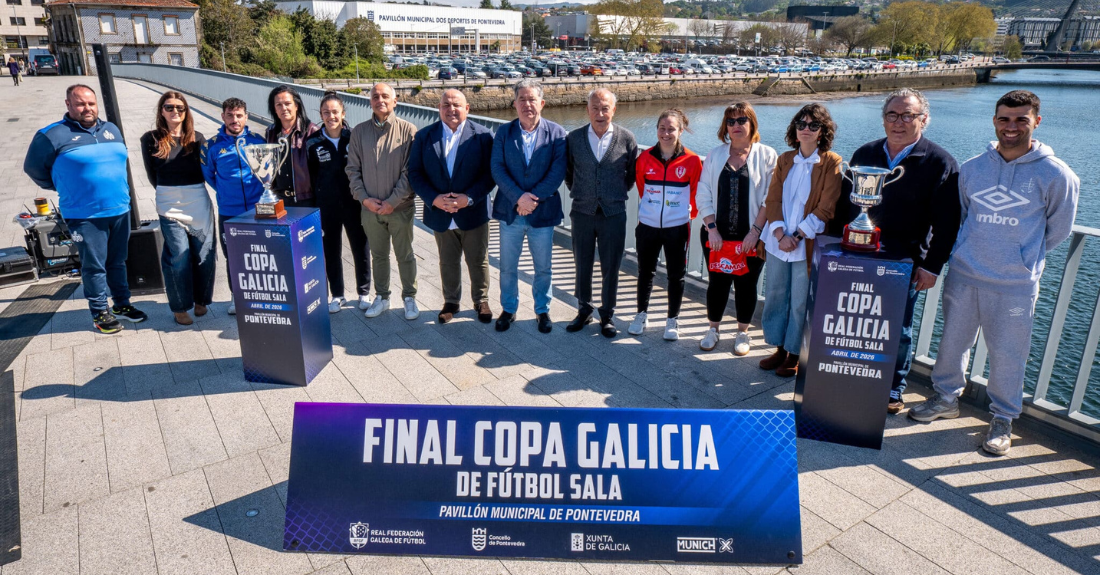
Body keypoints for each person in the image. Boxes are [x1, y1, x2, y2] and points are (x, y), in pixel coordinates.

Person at [909, 90, 1079, 456]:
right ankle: (945, 399)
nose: (1012, 126)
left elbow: (1059, 229)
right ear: (994, 121)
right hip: (966, 274)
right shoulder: (972, 168)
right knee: (952, 344)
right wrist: (965, 254)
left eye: (1021, 119)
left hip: (1015, 284)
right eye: (1004, 118)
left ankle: (1003, 418)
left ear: (1037, 121)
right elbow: (963, 217)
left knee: (1008, 354)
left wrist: (1021, 257)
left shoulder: (1056, 174)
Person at [828, 88, 961, 413]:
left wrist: (931, 266)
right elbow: (846, 207)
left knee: (896, 329)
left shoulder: (940, 162)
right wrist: (831, 250)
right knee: (853, 321)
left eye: (908, 115)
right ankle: (849, 379)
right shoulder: (866, 153)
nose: (899, 122)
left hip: (903, 262)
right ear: (884, 118)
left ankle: (892, 389)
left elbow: (947, 224)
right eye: (892, 115)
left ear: (923, 119)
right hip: (857, 255)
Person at [24, 84, 148, 333]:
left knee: (117, 262)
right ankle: (100, 312)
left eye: (91, 103)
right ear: (68, 104)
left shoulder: (110, 129)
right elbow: (33, 168)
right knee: (94, 265)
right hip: (84, 215)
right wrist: (64, 186)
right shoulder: (52, 135)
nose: (87, 108)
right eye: (80, 104)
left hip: (119, 209)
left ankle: (121, 305)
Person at [759, 103, 842, 378]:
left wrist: (795, 236)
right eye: (801, 124)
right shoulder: (785, 160)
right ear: (795, 130)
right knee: (775, 295)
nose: (806, 129)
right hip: (778, 241)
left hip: (803, 244)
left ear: (822, 132)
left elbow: (826, 207)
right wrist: (780, 234)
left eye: (813, 125)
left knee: (799, 302)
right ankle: (779, 348)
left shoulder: (832, 162)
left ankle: (795, 353)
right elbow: (773, 199)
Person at [408, 89, 496, 324]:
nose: (451, 109)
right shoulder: (424, 136)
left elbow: (491, 175)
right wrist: (433, 199)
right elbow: (414, 173)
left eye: (457, 105)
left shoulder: (484, 136)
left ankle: (481, 300)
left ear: (467, 108)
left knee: (478, 259)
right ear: (439, 108)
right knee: (447, 260)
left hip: (473, 210)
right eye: (446, 105)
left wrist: (468, 198)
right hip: (440, 211)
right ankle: (451, 302)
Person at [695, 102, 777, 355]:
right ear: (725, 127)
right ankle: (713, 329)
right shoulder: (715, 154)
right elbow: (703, 193)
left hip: (751, 238)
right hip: (716, 235)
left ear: (752, 123)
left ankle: (743, 332)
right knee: (717, 284)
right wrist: (711, 228)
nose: (736, 125)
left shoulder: (766, 155)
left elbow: (769, 198)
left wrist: (755, 232)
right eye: (731, 121)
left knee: (746, 285)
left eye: (742, 120)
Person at [490, 79, 567, 334]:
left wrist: (531, 200)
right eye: (521, 99)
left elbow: (557, 172)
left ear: (542, 103)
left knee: (543, 267)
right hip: (510, 212)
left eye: (532, 99)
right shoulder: (504, 132)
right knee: (507, 265)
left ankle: (542, 310)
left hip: (541, 212)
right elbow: (497, 169)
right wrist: (517, 198)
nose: (527, 104)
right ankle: (509, 309)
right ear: (514, 104)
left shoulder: (557, 133)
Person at [564, 88, 638, 338]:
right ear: (587, 110)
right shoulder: (573, 138)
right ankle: (584, 310)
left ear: (613, 110)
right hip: (582, 211)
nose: (600, 113)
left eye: (605, 108)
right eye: (595, 108)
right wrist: (584, 192)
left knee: (611, 267)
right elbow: (569, 173)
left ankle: (607, 315)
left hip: (614, 213)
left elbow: (631, 176)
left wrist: (612, 194)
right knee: (582, 263)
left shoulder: (627, 138)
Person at [139, 91, 215, 326]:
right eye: (170, 107)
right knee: (178, 256)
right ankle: (180, 306)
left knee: (204, 254)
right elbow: (153, 175)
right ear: (161, 110)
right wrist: (168, 191)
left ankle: (201, 300)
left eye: (180, 108)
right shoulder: (150, 139)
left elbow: (206, 170)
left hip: (198, 202)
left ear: (186, 112)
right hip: (169, 204)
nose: (175, 112)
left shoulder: (197, 138)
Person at [347, 82, 419, 320]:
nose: (380, 100)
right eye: (375, 96)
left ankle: (409, 297)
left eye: (385, 96)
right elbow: (353, 170)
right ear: (370, 102)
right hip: (370, 209)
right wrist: (365, 199)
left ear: (395, 101)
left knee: (405, 254)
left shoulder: (409, 131)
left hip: (400, 208)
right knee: (378, 255)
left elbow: (411, 173)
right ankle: (382, 297)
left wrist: (392, 201)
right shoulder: (358, 132)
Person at [630, 109, 702, 341]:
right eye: (662, 128)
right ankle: (641, 314)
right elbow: (642, 187)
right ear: (657, 130)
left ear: (680, 131)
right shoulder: (644, 158)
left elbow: (696, 195)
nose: (666, 133)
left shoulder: (691, 160)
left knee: (676, 275)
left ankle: (672, 319)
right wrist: (652, 212)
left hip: (677, 228)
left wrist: (679, 213)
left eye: (671, 128)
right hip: (648, 226)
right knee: (645, 272)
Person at [306, 91, 372, 313]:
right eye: (326, 112)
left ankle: (364, 292)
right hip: (327, 206)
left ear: (343, 113)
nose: (331, 116)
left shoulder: (354, 137)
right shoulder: (312, 142)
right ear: (321, 114)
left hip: (354, 204)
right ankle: (338, 294)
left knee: (360, 248)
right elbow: (312, 175)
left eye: (335, 112)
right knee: (330, 250)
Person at [200, 97, 266, 316]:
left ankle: (262, 293)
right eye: (230, 115)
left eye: (239, 115)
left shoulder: (258, 141)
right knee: (233, 256)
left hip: (258, 209)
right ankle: (236, 295)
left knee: (261, 254)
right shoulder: (211, 146)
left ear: (246, 116)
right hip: (229, 211)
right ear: (223, 117)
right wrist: (226, 192)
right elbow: (209, 176)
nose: (235, 119)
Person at [265, 85, 320, 208]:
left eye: (287, 103)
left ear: (296, 106)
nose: (283, 108)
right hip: (279, 200)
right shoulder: (271, 132)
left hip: (306, 200)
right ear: (274, 108)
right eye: (279, 105)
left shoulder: (312, 131)